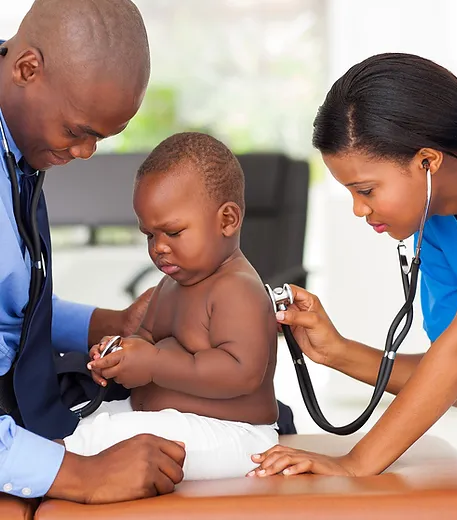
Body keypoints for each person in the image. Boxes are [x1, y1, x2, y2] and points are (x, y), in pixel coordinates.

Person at [247, 52, 457, 478]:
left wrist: (356, 461)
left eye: (367, 189)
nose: (360, 209)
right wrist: (337, 351)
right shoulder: (435, 229)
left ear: (427, 161)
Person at [0, 0, 186, 504]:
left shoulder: (16, 149)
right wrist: (80, 476)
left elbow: (9, 303)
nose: (85, 153)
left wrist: (112, 322)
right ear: (27, 69)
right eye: (78, 131)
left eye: (102, 138)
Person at [77, 132, 279, 480]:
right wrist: (118, 357)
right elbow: (143, 340)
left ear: (227, 220)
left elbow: (241, 372)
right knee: (76, 418)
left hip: (234, 436)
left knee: (102, 441)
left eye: (173, 232)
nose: (159, 248)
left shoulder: (238, 290)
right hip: (173, 423)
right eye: (149, 235)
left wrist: (153, 364)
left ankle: (56, 465)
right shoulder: (168, 286)